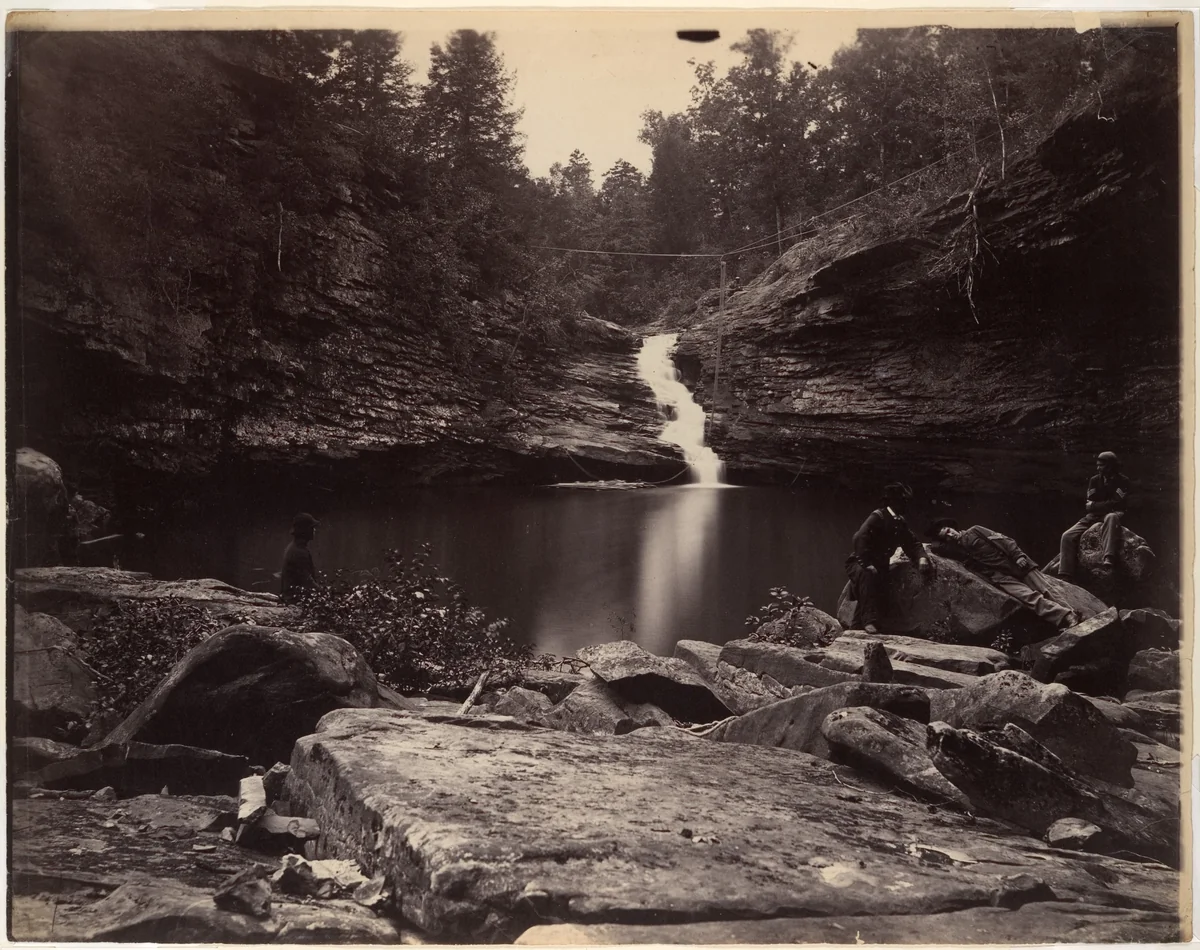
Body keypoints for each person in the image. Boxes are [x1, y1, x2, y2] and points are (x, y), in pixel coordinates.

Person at [928, 518, 1079, 629]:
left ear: (952, 527)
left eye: (949, 531)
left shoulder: (975, 530)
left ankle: (1073, 615)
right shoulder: (957, 550)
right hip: (1000, 577)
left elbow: (1005, 540)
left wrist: (1018, 556)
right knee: (1029, 598)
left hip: (1017, 564)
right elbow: (934, 548)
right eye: (945, 537)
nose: (950, 535)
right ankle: (1065, 617)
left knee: (1046, 590)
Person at [845, 483, 933, 634]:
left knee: (878, 588)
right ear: (894, 501)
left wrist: (922, 558)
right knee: (868, 576)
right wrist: (866, 563)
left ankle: (855, 627)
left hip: (880, 566)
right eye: (904, 501)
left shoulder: (899, 522)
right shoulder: (878, 516)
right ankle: (869, 622)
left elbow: (912, 543)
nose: (906, 505)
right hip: (859, 562)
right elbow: (859, 538)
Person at [1057, 451, 1131, 580]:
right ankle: (1065, 573)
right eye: (1098, 465)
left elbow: (1117, 502)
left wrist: (1096, 505)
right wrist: (1103, 505)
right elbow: (1090, 502)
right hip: (1093, 516)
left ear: (1110, 466)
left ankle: (1108, 557)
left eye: (1101, 465)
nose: (1098, 468)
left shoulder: (1123, 481)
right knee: (1067, 536)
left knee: (1112, 517)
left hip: (1110, 515)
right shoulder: (1094, 480)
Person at [281, 512, 320, 603]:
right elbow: (308, 583)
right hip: (293, 601)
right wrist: (326, 594)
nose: (315, 530)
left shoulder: (296, 547)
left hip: (291, 597)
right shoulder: (298, 552)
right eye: (312, 528)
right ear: (306, 530)